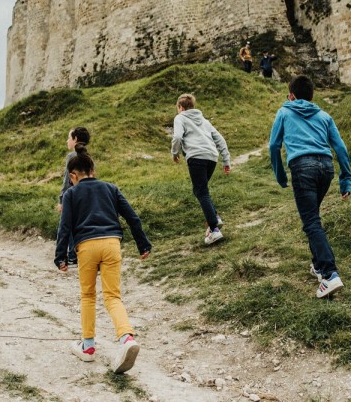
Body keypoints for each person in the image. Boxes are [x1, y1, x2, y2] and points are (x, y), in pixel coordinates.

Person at [55, 144, 151, 374]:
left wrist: (60, 257)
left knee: (88, 295)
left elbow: (65, 226)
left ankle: (88, 346)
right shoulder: (111, 188)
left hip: (86, 247)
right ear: (94, 171)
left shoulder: (70, 193)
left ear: (73, 176)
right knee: (113, 296)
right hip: (111, 245)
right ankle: (126, 338)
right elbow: (132, 217)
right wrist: (143, 244)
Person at [268, 75, 351, 298]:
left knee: (311, 221)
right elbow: (340, 148)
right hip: (326, 168)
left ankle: (330, 274)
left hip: (302, 167)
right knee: (312, 216)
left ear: (291, 96)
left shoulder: (284, 112)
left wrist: (280, 175)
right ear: (312, 96)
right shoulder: (324, 115)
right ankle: (317, 265)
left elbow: (274, 145)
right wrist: (346, 179)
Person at [171, 93, 231, 245]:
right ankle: (215, 217)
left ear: (180, 107)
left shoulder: (180, 117)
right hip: (211, 157)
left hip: (196, 157)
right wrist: (226, 161)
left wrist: (174, 153)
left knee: (201, 191)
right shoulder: (204, 121)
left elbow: (177, 137)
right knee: (201, 190)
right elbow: (220, 139)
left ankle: (215, 230)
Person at [57, 126, 91, 265]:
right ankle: (79, 254)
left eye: (69, 137)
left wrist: (61, 200)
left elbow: (67, 180)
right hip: (86, 194)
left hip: (72, 195)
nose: (67, 141)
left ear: (75, 139)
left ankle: (71, 255)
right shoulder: (87, 155)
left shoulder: (71, 156)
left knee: (68, 224)